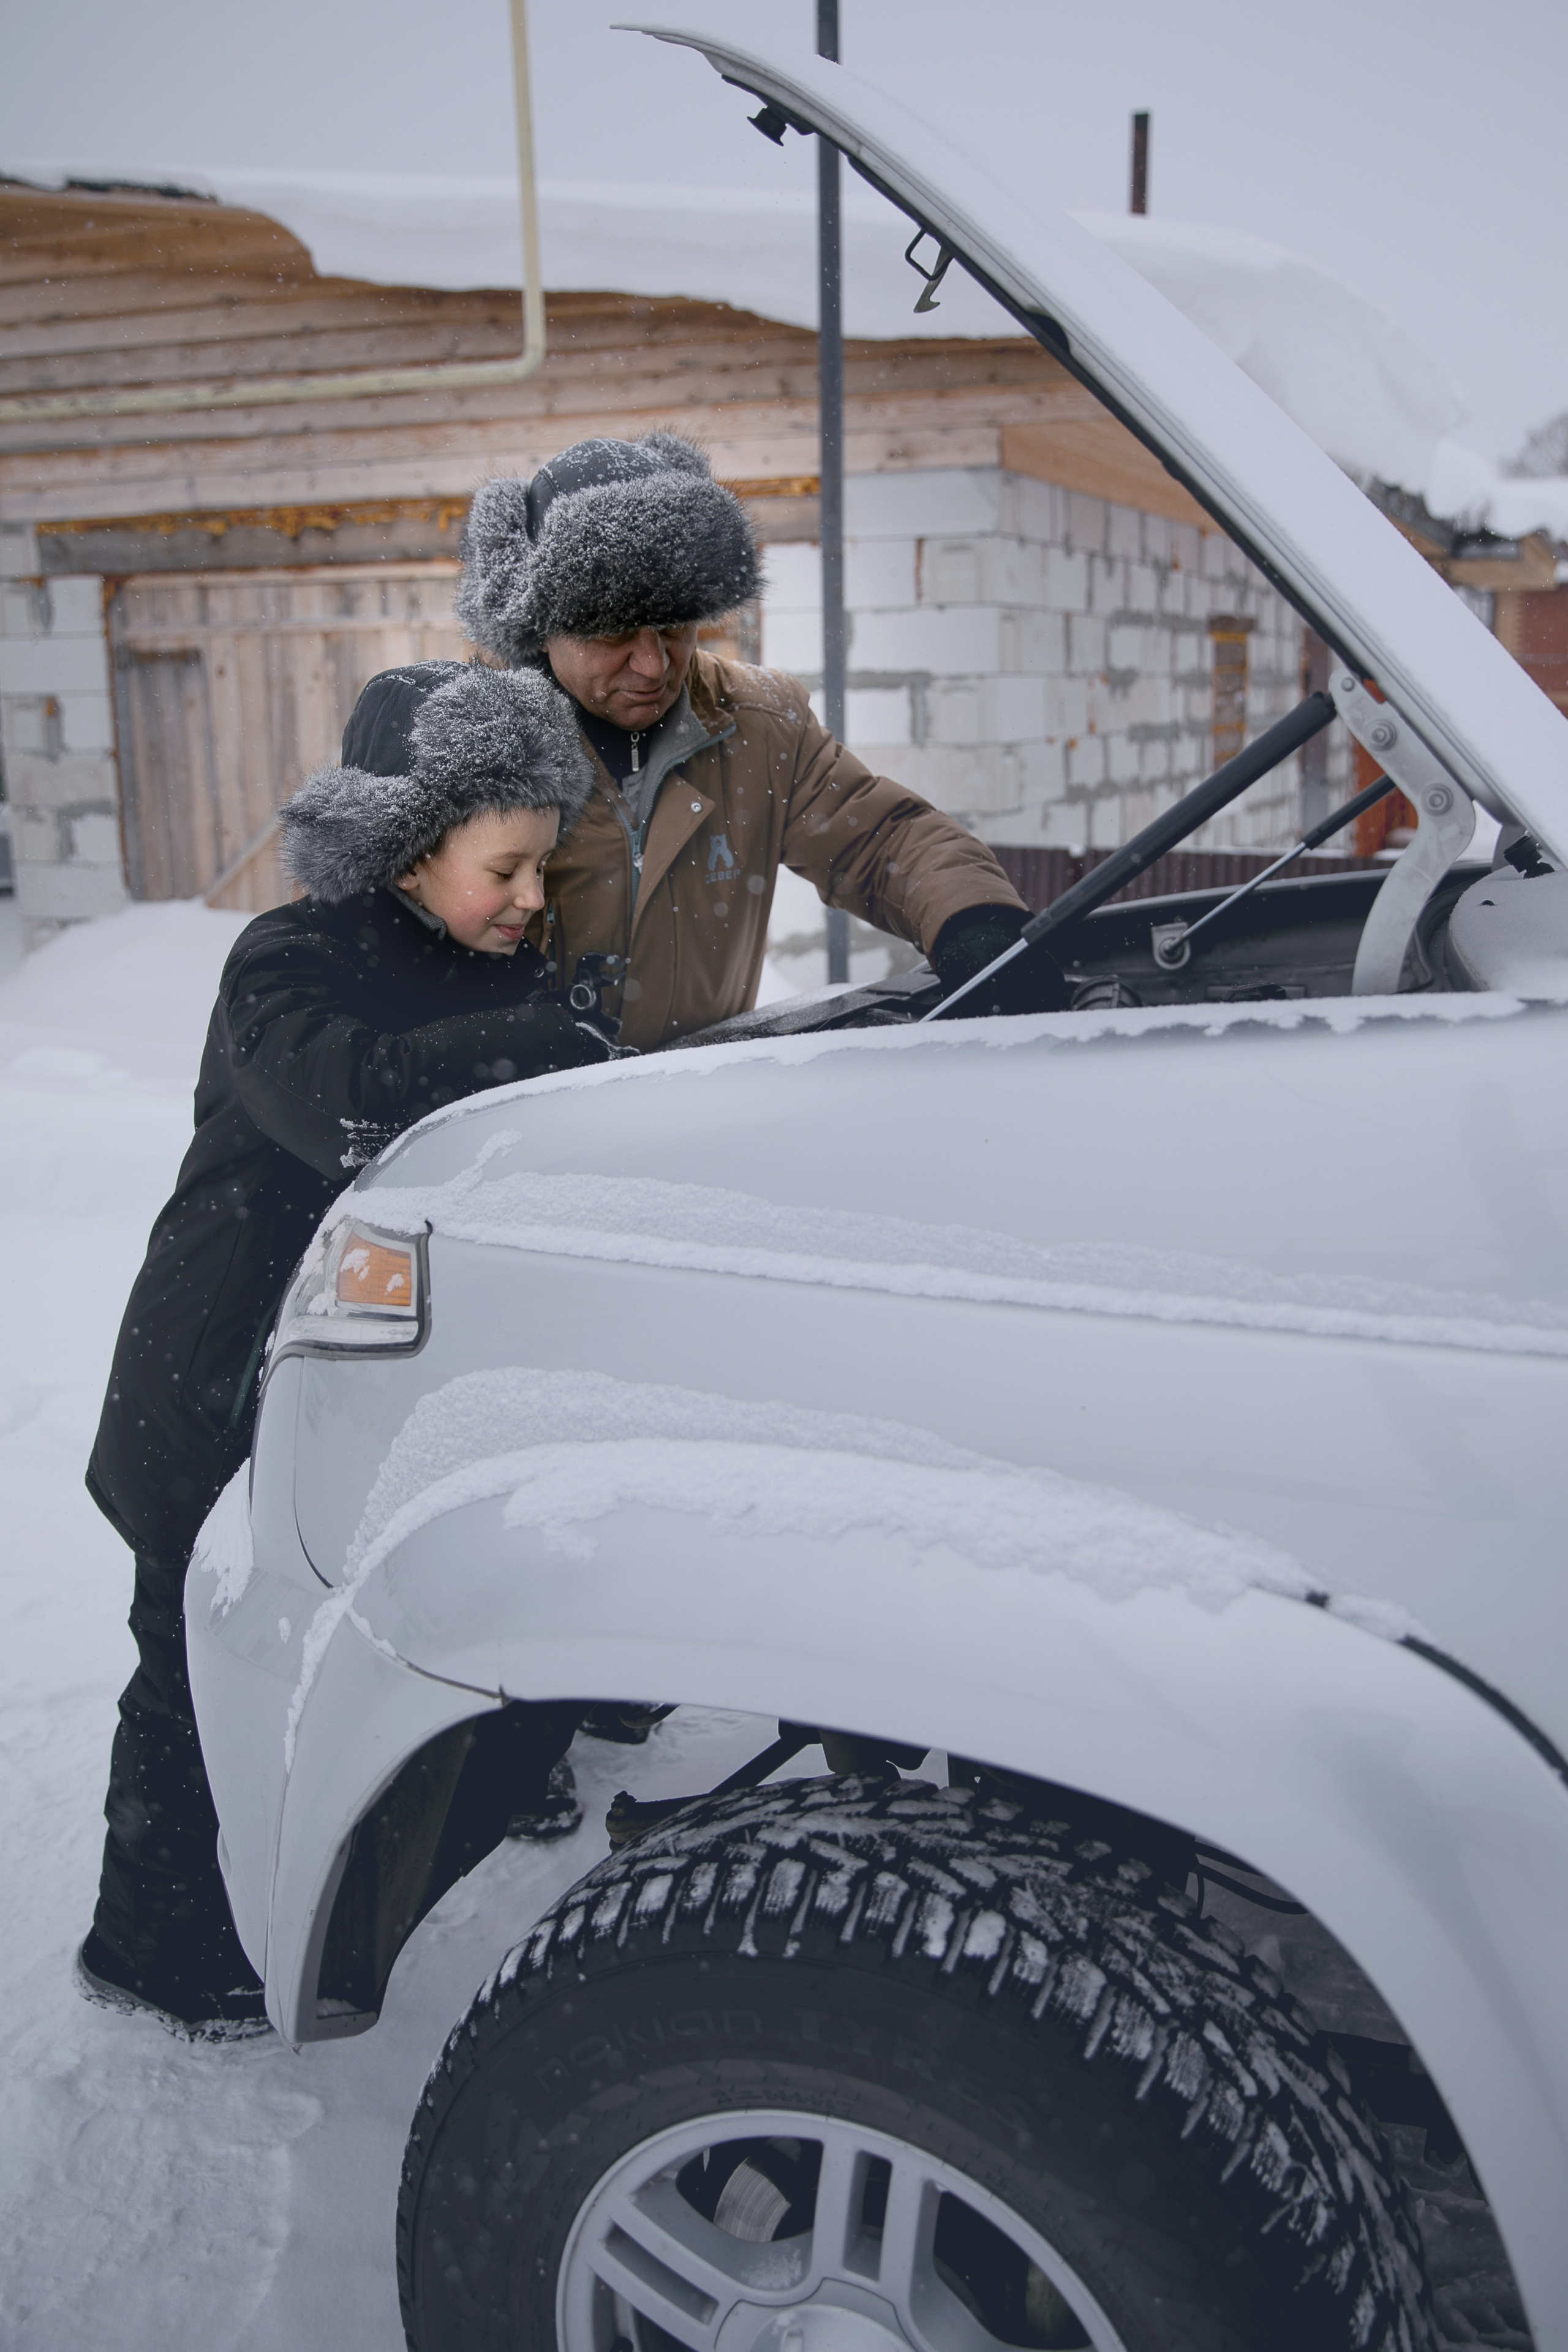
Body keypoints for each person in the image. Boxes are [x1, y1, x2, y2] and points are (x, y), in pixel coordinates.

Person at [78, 660, 611, 2038]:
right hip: (210, 1371)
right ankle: (153, 1943)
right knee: (189, 1658)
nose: (530, 900)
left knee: (346, 1628)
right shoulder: (288, 959)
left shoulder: (488, 960)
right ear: (408, 841)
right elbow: (352, 1106)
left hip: (347, 1374)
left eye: (542, 872)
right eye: (506, 868)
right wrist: (555, 1039)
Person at [454, 432, 1060, 1050]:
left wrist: (975, 924)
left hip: (702, 1101)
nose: (654, 665)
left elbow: (882, 843)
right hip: (527, 1117)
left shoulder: (758, 724)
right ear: (538, 630)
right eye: (614, 635)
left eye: (674, 626)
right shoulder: (470, 751)